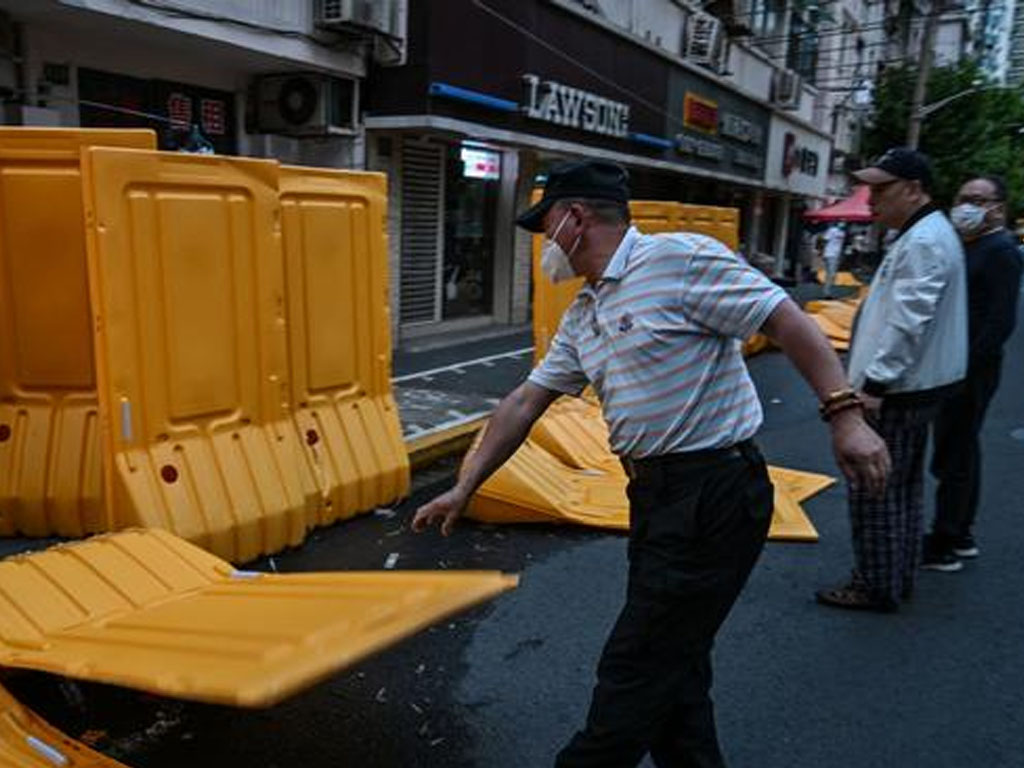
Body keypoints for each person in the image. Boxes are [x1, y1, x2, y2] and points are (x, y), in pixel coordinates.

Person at [412, 159, 889, 767]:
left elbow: (785, 318)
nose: (542, 243)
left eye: (545, 224)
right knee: (675, 672)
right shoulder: (585, 313)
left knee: (634, 672)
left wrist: (844, 414)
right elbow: (525, 401)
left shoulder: (680, 258)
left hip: (714, 492)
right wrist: (465, 485)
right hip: (657, 500)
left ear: (575, 218)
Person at [816, 147, 968, 612]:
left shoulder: (923, 241)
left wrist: (874, 385)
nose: (871, 199)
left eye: (882, 189)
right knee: (899, 486)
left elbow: (908, 322)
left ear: (915, 189)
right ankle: (894, 575)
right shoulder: (924, 234)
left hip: (899, 391)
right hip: (914, 387)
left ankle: (876, 583)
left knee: (874, 487)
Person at [922, 175, 1023, 570]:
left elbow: (1000, 323)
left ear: (998, 208)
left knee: (956, 453)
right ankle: (959, 533)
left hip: (969, 370)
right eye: (962, 197)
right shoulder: (973, 245)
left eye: (977, 200)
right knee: (959, 450)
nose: (966, 205)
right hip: (959, 366)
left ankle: (945, 539)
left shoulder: (1000, 250)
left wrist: (961, 368)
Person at [822, 222, 846, 296]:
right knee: (831, 274)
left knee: (831, 274)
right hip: (829, 254)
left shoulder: (843, 233)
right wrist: (823, 252)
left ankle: (828, 291)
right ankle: (827, 292)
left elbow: (840, 245)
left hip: (835, 255)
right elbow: (825, 240)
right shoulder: (832, 230)